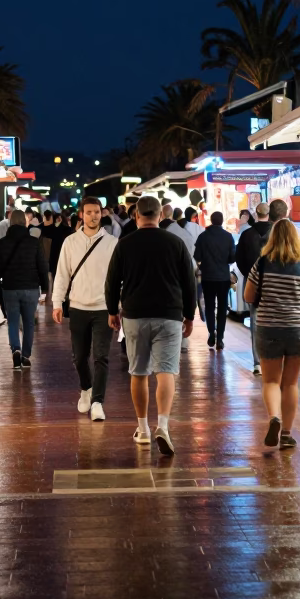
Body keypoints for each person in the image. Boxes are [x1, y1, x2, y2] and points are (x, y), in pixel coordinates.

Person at [105, 194, 196, 456]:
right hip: (169, 315)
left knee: (139, 373)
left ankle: (143, 429)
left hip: (134, 315)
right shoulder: (176, 243)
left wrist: (112, 311)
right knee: (166, 371)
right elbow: (189, 282)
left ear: (136, 215)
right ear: (160, 215)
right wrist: (190, 315)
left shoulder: (124, 244)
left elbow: (112, 281)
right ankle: (163, 426)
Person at [244, 218, 300, 450]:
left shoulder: (262, 264)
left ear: (272, 238)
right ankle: (287, 434)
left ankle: (274, 417)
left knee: (270, 381)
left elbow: (248, 296)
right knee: (290, 384)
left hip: (268, 328)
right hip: (298, 330)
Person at [52, 196, 118, 421]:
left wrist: (117, 306)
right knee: (79, 357)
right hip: (78, 306)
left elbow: (117, 278)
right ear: (81, 214)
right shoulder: (70, 242)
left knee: (101, 357)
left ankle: (98, 401)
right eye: (89, 212)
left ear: (102, 213)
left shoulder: (112, 243)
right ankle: (86, 388)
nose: (93, 216)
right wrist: (57, 302)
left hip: (103, 308)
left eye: (97, 212)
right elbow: (62, 273)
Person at [0, 211, 50, 370]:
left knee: (13, 321)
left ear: (10, 223)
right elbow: (42, 267)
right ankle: (26, 356)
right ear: (25, 223)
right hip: (30, 288)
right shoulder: (34, 242)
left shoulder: (2, 243)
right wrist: (45, 287)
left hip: (10, 288)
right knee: (29, 323)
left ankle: (15, 349)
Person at [237, 200, 288, 376]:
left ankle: (257, 362)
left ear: (256, 214)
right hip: (275, 284)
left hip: (253, 285)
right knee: (276, 320)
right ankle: (275, 358)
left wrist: (249, 275)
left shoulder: (246, 234)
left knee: (255, 322)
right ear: (269, 214)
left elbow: (239, 259)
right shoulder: (277, 232)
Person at [195, 212, 236, 350]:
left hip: (208, 277)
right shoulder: (228, 236)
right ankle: (220, 338)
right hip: (223, 277)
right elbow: (232, 257)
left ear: (211, 221)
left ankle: (211, 333)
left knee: (209, 306)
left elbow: (197, 256)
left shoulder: (203, 236)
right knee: (222, 307)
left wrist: (203, 266)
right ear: (222, 221)